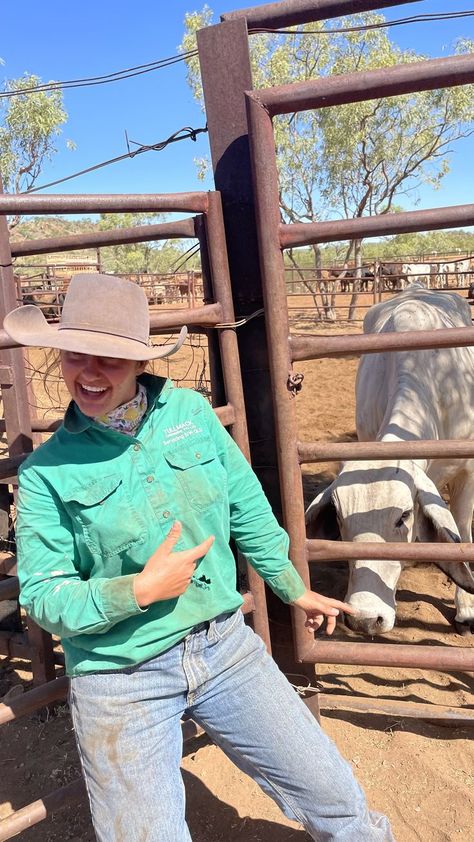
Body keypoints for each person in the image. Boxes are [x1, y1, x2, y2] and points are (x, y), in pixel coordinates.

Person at [5, 273, 394, 842]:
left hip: (223, 643)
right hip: (119, 675)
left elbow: (246, 505)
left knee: (339, 802)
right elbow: (41, 594)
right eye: (74, 355)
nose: (87, 373)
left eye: (109, 359)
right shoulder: (45, 473)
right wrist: (135, 591)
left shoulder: (189, 412)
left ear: (139, 362)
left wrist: (290, 586)